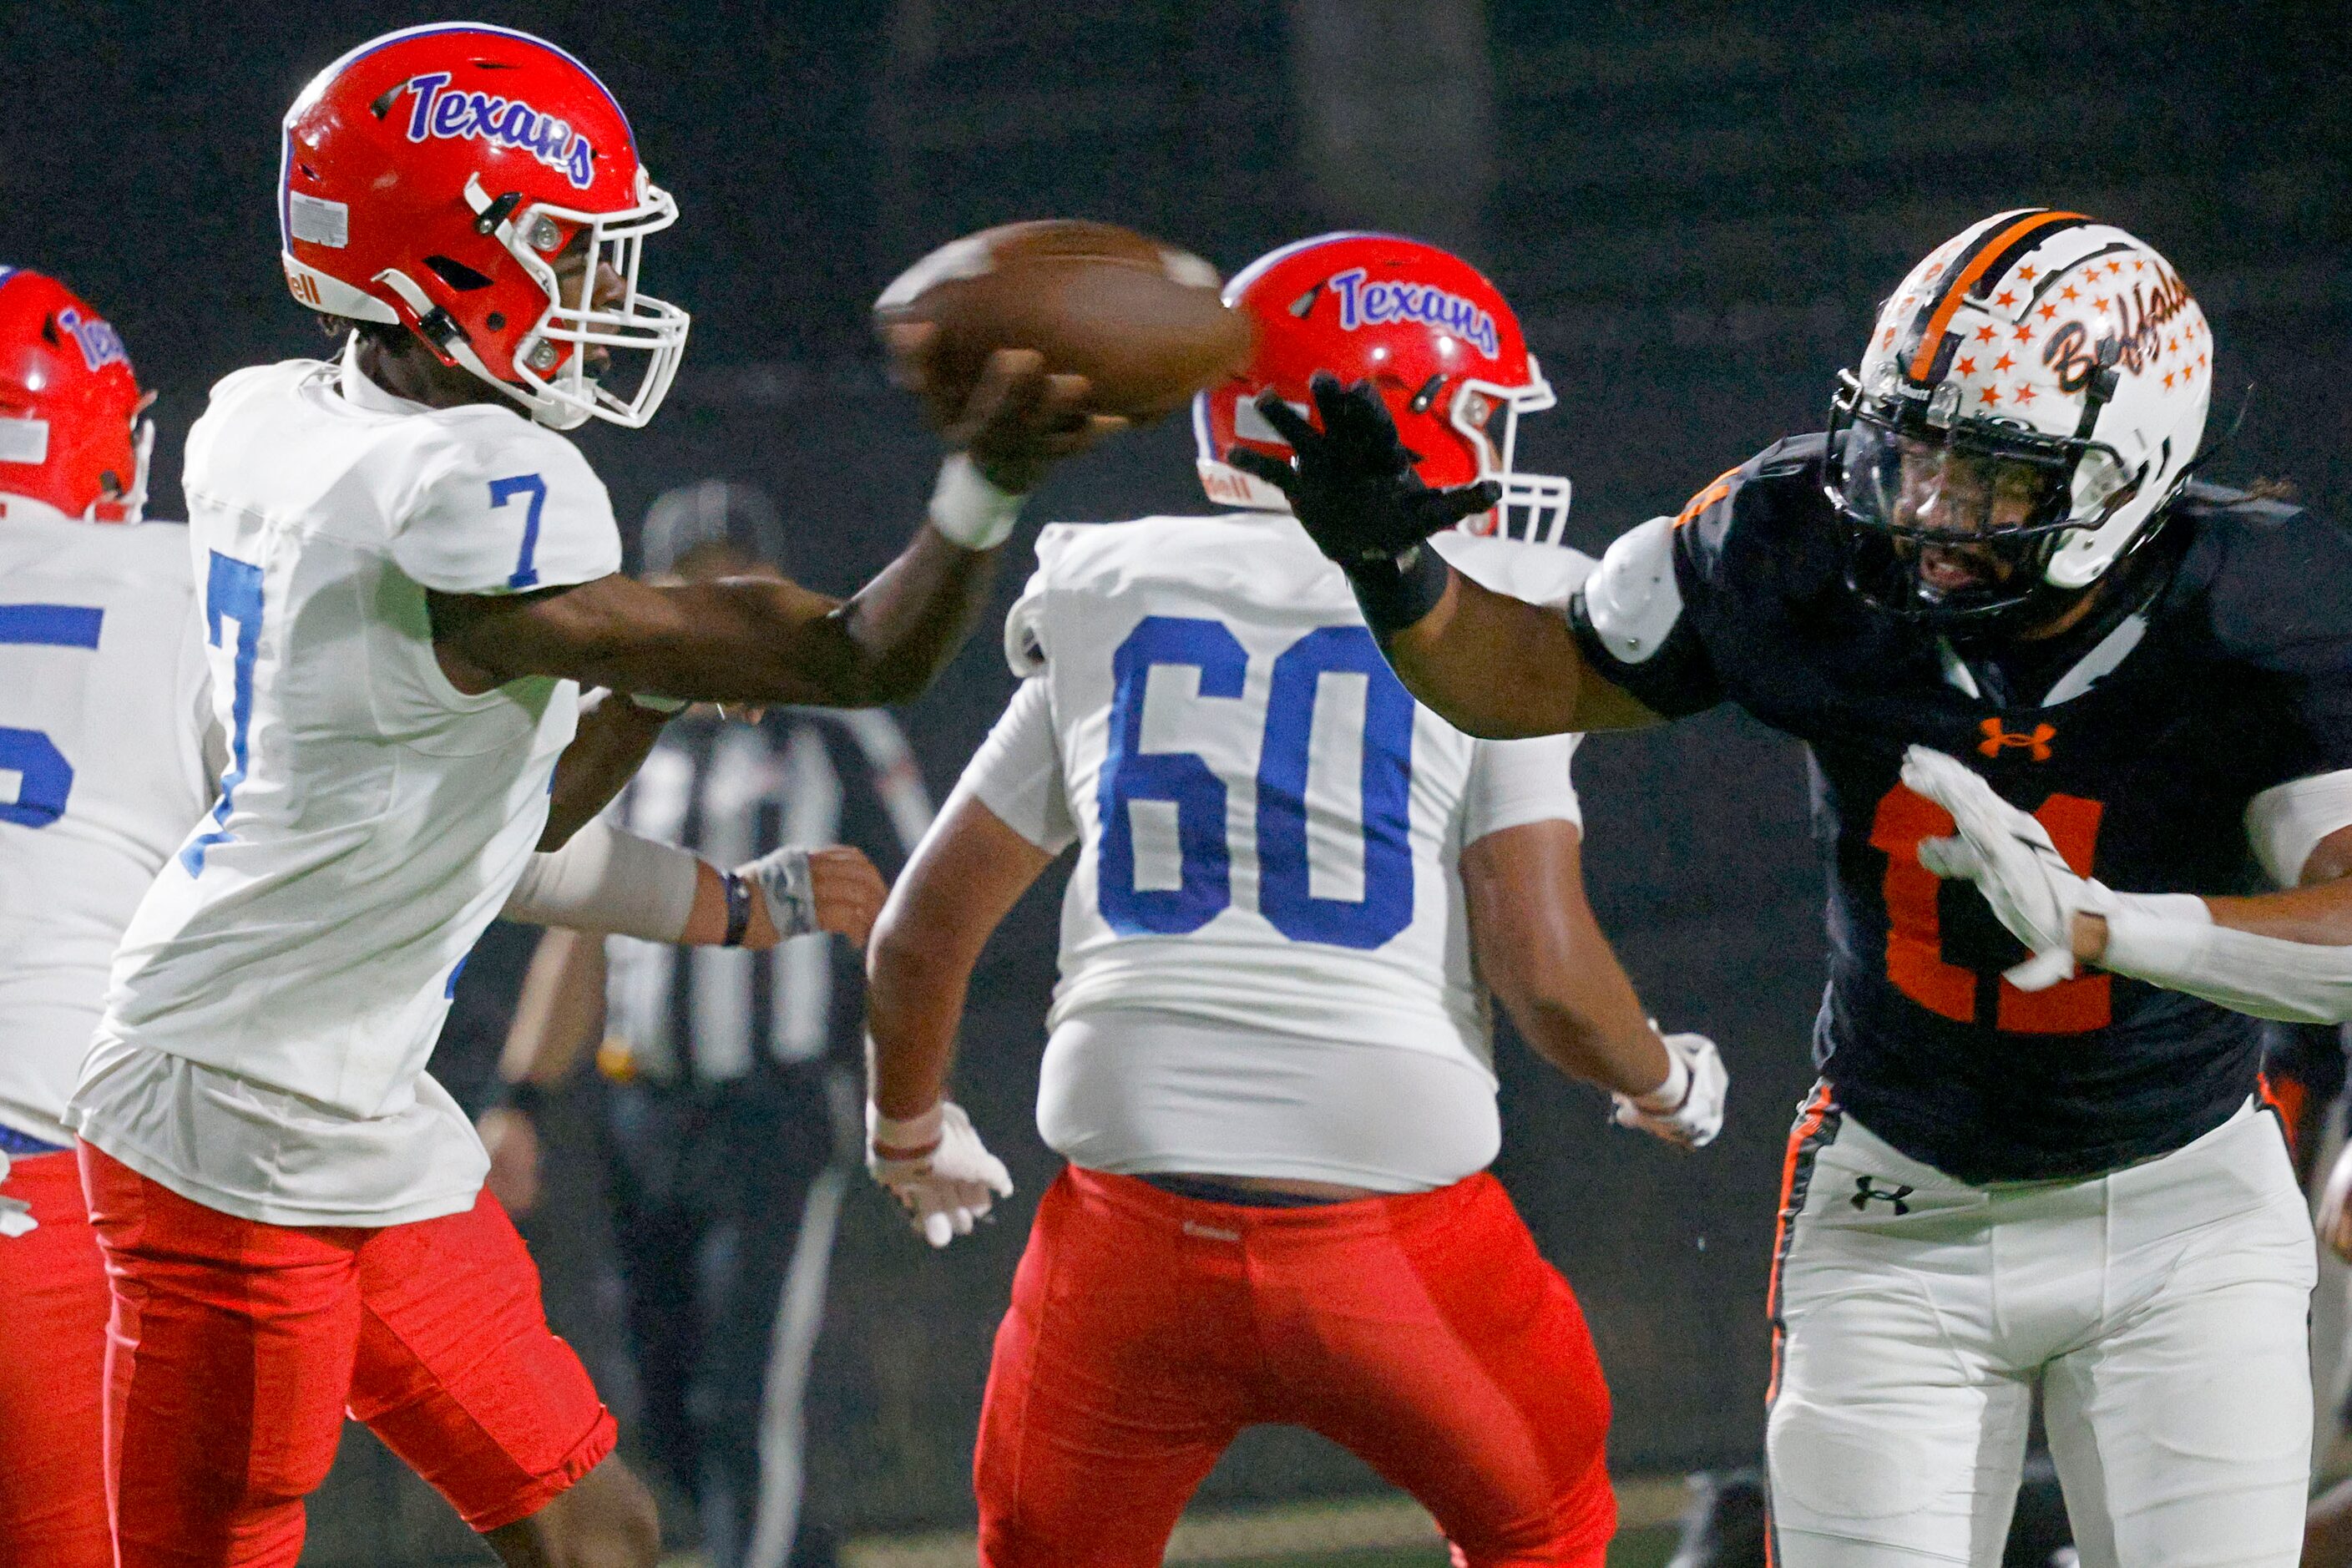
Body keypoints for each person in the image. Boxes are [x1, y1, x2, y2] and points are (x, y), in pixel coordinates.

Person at [61, 23, 1117, 1568]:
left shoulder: (270, 418)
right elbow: (862, 655)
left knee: (595, 1529)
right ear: (438, 259)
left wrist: (652, 709)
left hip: (357, 1100)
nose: (603, 290)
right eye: (562, 241)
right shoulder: (476, 486)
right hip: (223, 1111)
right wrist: (985, 479)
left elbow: (512, 810)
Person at [1247, 209, 2345, 1567]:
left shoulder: (2257, 604)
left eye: (1986, 480)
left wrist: (2098, 926)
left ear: (2127, 475)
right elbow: (1527, 674)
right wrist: (1392, 571)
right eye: (1910, 452)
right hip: (1899, 1202)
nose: (1925, 514)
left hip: (2183, 1202)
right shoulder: (1788, 535)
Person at [860, 232, 1727, 1568]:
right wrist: (1661, 1078)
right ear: (1410, 421)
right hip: (1390, 1223)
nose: (1496, 449)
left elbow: (922, 930)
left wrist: (910, 1133)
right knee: (1545, 1529)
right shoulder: (1498, 609)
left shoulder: (1118, 589)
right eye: (1480, 413)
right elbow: (1540, 963)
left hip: (1125, 1230)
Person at [0, 266, 855, 1568]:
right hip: (132, 1146)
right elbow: (464, 839)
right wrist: (729, 902)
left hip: (193, 1133)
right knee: (588, 1523)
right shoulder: (182, 577)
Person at [486, 480, 934, 1568]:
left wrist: (910, 1090)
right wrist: (517, 1101)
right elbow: (578, 937)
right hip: (643, 1112)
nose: (711, 605)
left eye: (734, 581)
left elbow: (916, 907)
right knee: (661, 1403)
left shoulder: (833, 724)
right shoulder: (610, 734)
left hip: (771, 1110)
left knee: (743, 1406)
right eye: (685, 587)